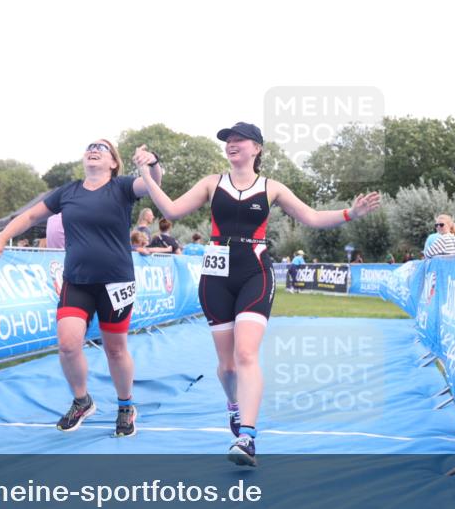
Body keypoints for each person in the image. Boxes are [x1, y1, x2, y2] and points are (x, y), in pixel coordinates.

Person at [133, 121, 380, 466]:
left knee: (246, 354)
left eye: (239, 140)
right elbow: (171, 211)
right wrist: (146, 174)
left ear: (257, 148)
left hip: (255, 272)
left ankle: (247, 437)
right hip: (216, 276)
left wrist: (349, 214)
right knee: (227, 366)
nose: (232, 144)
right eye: (228, 140)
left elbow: (310, 217)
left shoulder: (271, 188)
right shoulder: (211, 183)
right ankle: (233, 405)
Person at [0, 139, 163, 436]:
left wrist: (152, 163)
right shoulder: (68, 192)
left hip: (117, 281)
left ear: (113, 163)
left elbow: (153, 183)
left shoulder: (122, 187)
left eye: (102, 148)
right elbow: (30, 216)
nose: (94, 149)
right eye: (90, 147)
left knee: (115, 350)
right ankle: (82, 401)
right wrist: (1, 238)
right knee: (68, 345)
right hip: (77, 280)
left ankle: (125, 405)